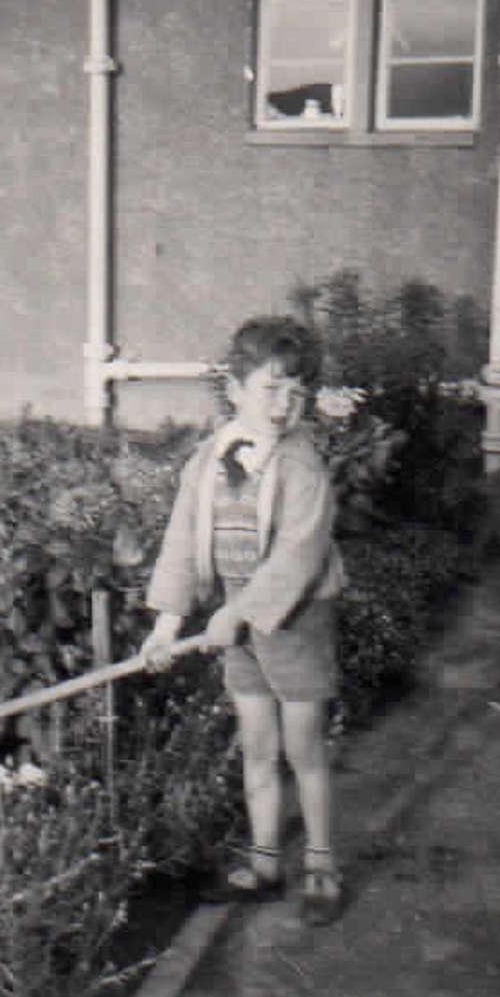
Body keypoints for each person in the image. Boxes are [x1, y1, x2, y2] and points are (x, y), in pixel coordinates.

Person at [137, 314, 350, 926]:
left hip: (296, 620)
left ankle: (320, 863)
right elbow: (182, 540)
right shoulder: (209, 460)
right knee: (256, 745)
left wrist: (238, 613)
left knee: (301, 748)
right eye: (270, 390)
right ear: (234, 389)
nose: (284, 406)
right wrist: (167, 625)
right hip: (238, 623)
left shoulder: (301, 465)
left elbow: (299, 553)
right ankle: (264, 864)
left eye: (296, 392)